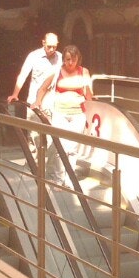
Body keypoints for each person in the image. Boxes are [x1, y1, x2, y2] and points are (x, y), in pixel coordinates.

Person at [33, 44, 93, 185]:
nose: (70, 63)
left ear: (78, 59)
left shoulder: (84, 72)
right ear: (64, 59)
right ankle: (58, 178)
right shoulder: (57, 71)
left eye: (73, 59)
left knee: (73, 148)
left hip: (78, 114)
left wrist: (90, 115)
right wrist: (37, 102)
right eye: (67, 59)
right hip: (60, 113)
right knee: (59, 146)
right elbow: (43, 88)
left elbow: (89, 95)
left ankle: (69, 178)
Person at [7, 33, 61, 105]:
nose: (52, 49)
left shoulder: (60, 57)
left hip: (50, 102)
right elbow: (23, 75)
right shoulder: (34, 56)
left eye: (54, 47)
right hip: (33, 100)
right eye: (49, 46)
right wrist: (15, 94)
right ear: (43, 43)